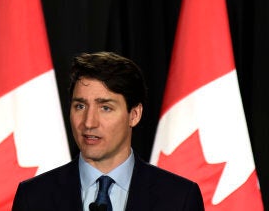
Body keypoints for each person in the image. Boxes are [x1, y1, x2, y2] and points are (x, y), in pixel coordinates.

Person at [12, 51, 204, 211]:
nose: (89, 123)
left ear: (134, 114)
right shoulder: (33, 198)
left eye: (105, 108)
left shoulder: (179, 199)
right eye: (80, 106)